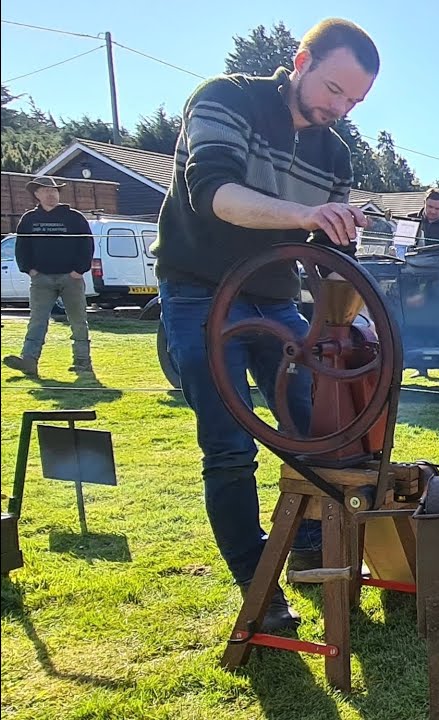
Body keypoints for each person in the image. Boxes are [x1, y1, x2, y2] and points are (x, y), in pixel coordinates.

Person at [151, 18, 379, 633]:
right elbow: (215, 194)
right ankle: (259, 583)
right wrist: (307, 212)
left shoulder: (336, 151)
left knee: (315, 431)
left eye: (354, 101)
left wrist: (358, 319)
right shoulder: (227, 98)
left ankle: (309, 545)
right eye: (334, 89)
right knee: (228, 447)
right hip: (200, 294)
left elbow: (330, 251)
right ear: (301, 61)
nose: (340, 108)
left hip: (278, 304)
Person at [3, 177, 95, 377]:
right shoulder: (29, 219)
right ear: (37, 194)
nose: (51, 194)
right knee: (37, 320)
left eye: (54, 191)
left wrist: (79, 271)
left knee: (78, 321)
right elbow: (22, 248)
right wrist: (29, 270)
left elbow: (87, 245)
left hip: (71, 278)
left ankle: (83, 363)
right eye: (46, 191)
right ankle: (29, 361)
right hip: (41, 279)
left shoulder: (74, 217)